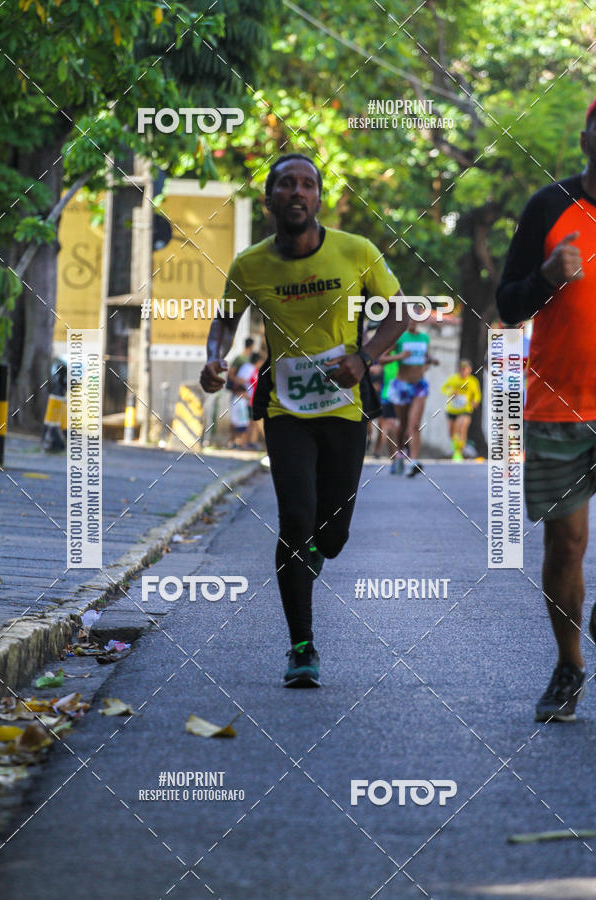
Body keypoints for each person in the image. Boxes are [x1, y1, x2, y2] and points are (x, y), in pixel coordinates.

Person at [200, 153, 407, 687]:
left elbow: (401, 312)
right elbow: (224, 323)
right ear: (269, 200)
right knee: (296, 518)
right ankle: (301, 648)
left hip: (345, 407)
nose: (297, 192)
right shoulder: (250, 266)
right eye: (286, 184)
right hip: (285, 408)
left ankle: (313, 551)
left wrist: (364, 359)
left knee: (332, 535)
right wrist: (214, 359)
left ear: (318, 198)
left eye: (307, 184)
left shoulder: (355, 251)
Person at [496, 98, 596, 722]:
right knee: (566, 547)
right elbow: (507, 305)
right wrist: (546, 280)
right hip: (559, 405)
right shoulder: (548, 207)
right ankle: (569, 663)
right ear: (587, 137)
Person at [384, 318, 439, 476]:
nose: (412, 322)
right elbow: (381, 359)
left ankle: (413, 461)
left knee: (414, 424)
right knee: (402, 426)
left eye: (415, 319)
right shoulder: (399, 337)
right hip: (401, 386)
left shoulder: (424, 338)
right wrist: (399, 356)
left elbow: (426, 358)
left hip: (419, 386)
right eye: (409, 319)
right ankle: (400, 453)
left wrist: (430, 362)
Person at [440, 360, 481, 460]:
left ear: (469, 370)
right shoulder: (453, 379)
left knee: (461, 426)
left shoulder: (473, 381)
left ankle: (459, 451)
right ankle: (456, 449)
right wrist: (450, 392)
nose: (463, 371)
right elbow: (443, 388)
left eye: (465, 369)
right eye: (461, 369)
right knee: (452, 432)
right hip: (452, 409)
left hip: (465, 409)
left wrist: (475, 401)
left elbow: (477, 394)